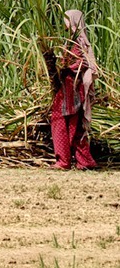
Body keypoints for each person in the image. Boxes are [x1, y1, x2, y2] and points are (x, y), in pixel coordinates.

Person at [51, 9, 99, 170]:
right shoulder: (74, 41)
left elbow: (79, 64)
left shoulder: (77, 43)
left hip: (72, 89)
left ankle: (64, 161)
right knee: (74, 125)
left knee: (62, 122)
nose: (64, 23)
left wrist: (60, 64)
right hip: (70, 88)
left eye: (66, 19)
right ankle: (84, 161)